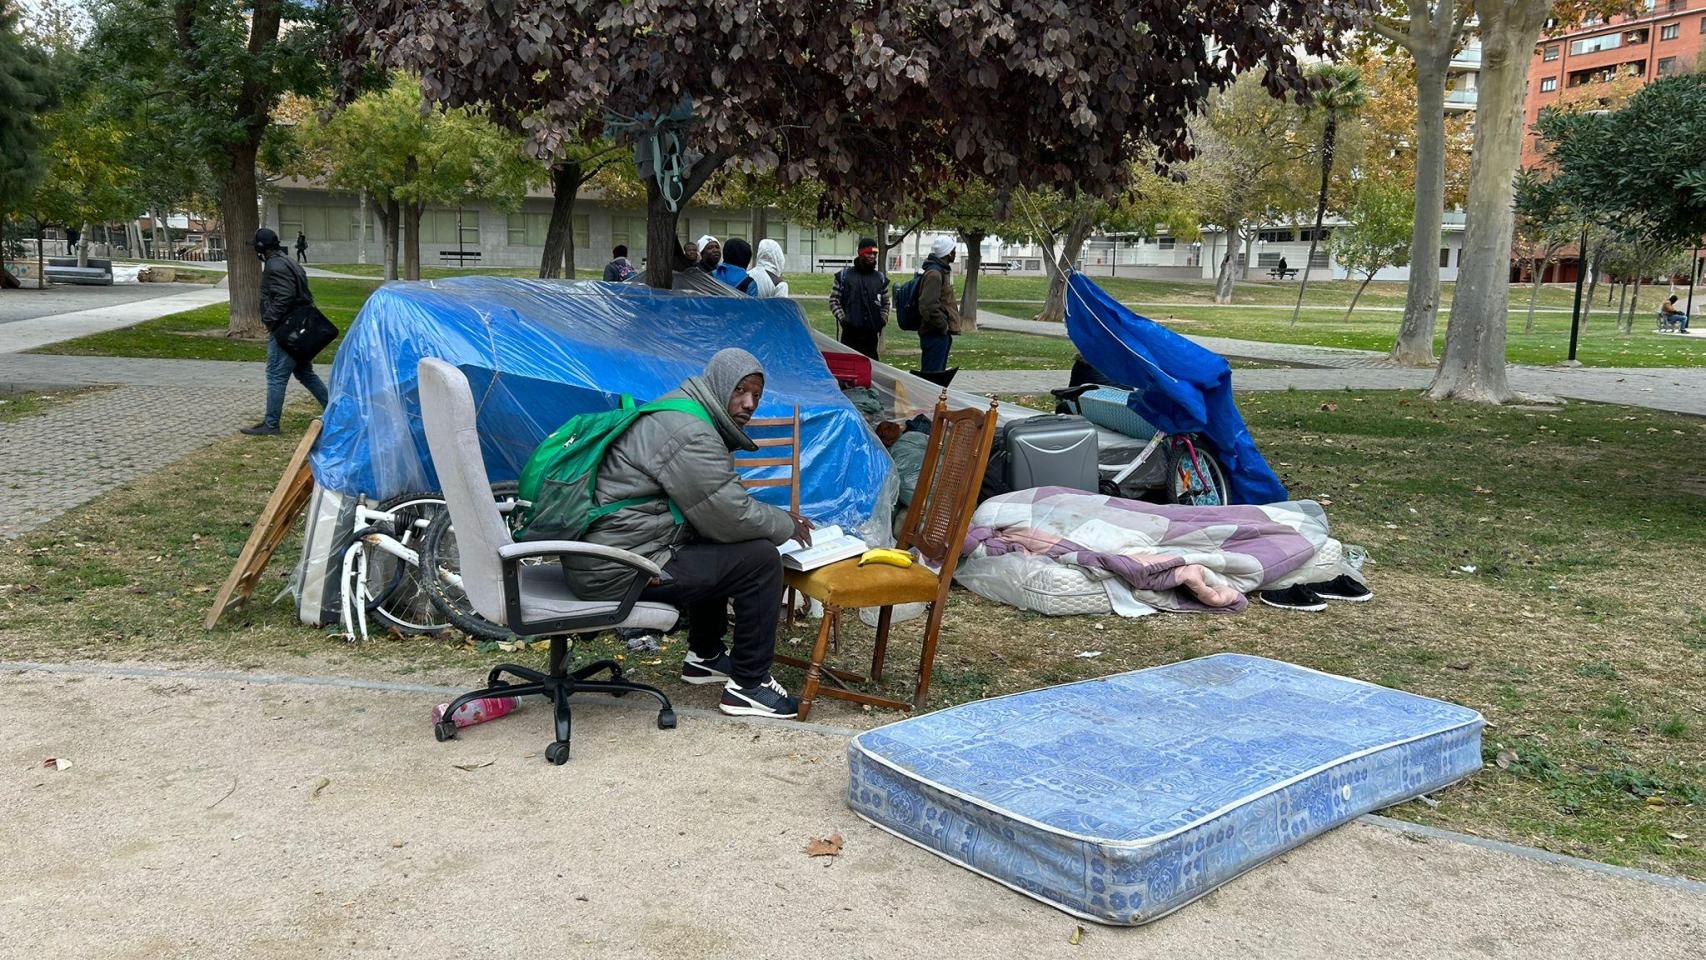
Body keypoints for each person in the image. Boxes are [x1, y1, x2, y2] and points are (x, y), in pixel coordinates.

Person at [561, 348, 814, 718]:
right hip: (619, 568)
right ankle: (749, 686)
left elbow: (714, 511)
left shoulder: (685, 411)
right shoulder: (690, 431)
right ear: (719, 384)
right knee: (760, 560)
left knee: (718, 540)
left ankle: (705, 656)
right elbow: (729, 515)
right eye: (740, 391)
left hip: (611, 556)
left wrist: (770, 519)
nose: (748, 404)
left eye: (756, 396)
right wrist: (785, 524)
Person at [241, 228, 328, 436]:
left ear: (261, 248)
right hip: (297, 325)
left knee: (276, 375)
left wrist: (269, 319)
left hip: (286, 328)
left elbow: (285, 296)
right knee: (304, 372)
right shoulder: (288, 261)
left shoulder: (275, 265)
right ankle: (336, 410)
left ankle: (271, 424)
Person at [828, 237, 889, 359]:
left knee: (871, 370)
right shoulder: (844, 276)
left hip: (871, 337)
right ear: (860, 253)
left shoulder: (880, 278)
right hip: (850, 335)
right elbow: (834, 300)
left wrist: (882, 320)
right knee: (850, 369)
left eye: (874, 254)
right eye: (869, 253)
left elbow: (886, 302)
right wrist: (843, 320)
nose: (872, 256)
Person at [916, 236, 963, 373]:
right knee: (932, 376)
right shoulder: (934, 274)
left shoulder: (940, 272)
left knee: (937, 375)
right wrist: (943, 325)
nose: (955, 253)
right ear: (948, 253)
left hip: (939, 333)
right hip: (934, 333)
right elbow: (927, 305)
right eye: (954, 250)